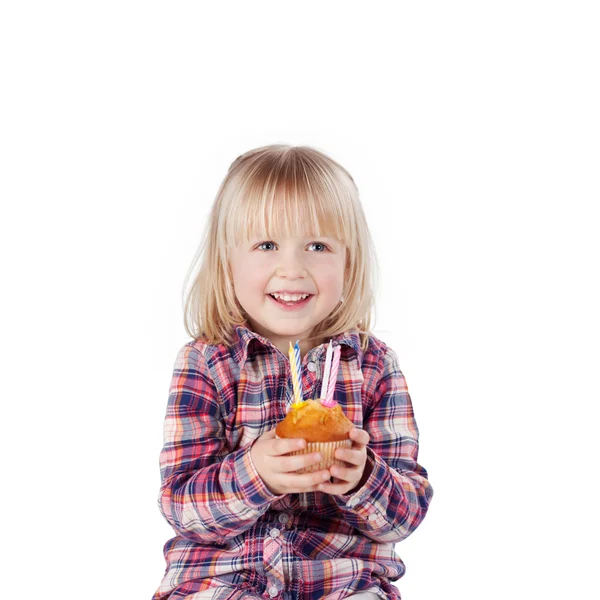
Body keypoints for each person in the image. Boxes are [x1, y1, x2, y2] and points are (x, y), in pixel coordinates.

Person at [152, 144, 433, 600]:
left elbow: (406, 515)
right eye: (266, 245)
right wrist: (256, 472)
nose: (292, 268)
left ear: (349, 262)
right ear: (228, 262)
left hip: (341, 582)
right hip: (223, 581)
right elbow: (182, 506)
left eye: (317, 246)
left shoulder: (374, 366)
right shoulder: (206, 362)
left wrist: (361, 478)